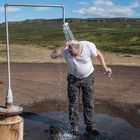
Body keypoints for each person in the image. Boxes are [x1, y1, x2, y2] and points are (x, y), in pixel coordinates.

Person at [51, 40, 112, 135]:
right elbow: (53, 55)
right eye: (72, 55)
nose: (75, 57)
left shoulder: (88, 46)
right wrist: (64, 45)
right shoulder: (66, 49)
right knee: (73, 103)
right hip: (73, 79)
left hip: (88, 78)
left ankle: (90, 126)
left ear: (80, 49)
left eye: (77, 54)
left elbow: (99, 54)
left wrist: (105, 68)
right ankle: (74, 127)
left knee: (88, 102)